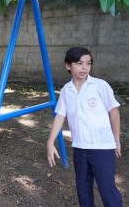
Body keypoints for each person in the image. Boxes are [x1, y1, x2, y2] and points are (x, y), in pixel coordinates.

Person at [47, 47, 122, 206]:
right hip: (80, 147)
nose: (84, 67)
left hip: (102, 147)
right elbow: (60, 115)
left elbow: (114, 112)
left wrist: (117, 140)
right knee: (83, 188)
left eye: (88, 63)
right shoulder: (67, 90)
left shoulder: (100, 86)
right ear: (68, 66)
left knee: (107, 190)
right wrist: (50, 141)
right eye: (79, 63)